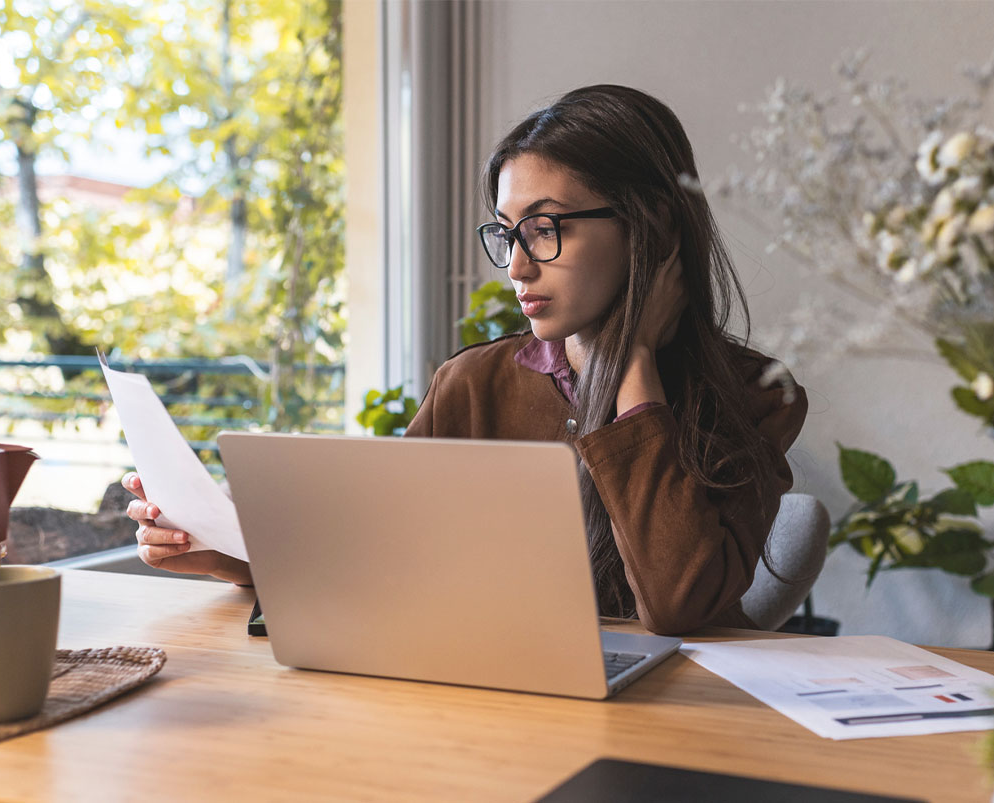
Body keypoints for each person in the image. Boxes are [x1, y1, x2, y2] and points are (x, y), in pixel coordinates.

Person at [124, 84, 808, 634]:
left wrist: (632, 365)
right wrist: (229, 553)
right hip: (494, 700)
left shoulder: (757, 398)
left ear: (650, 226)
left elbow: (678, 606)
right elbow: (382, 554)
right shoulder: (474, 385)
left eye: (544, 229)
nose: (516, 266)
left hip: (688, 726)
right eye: (507, 233)